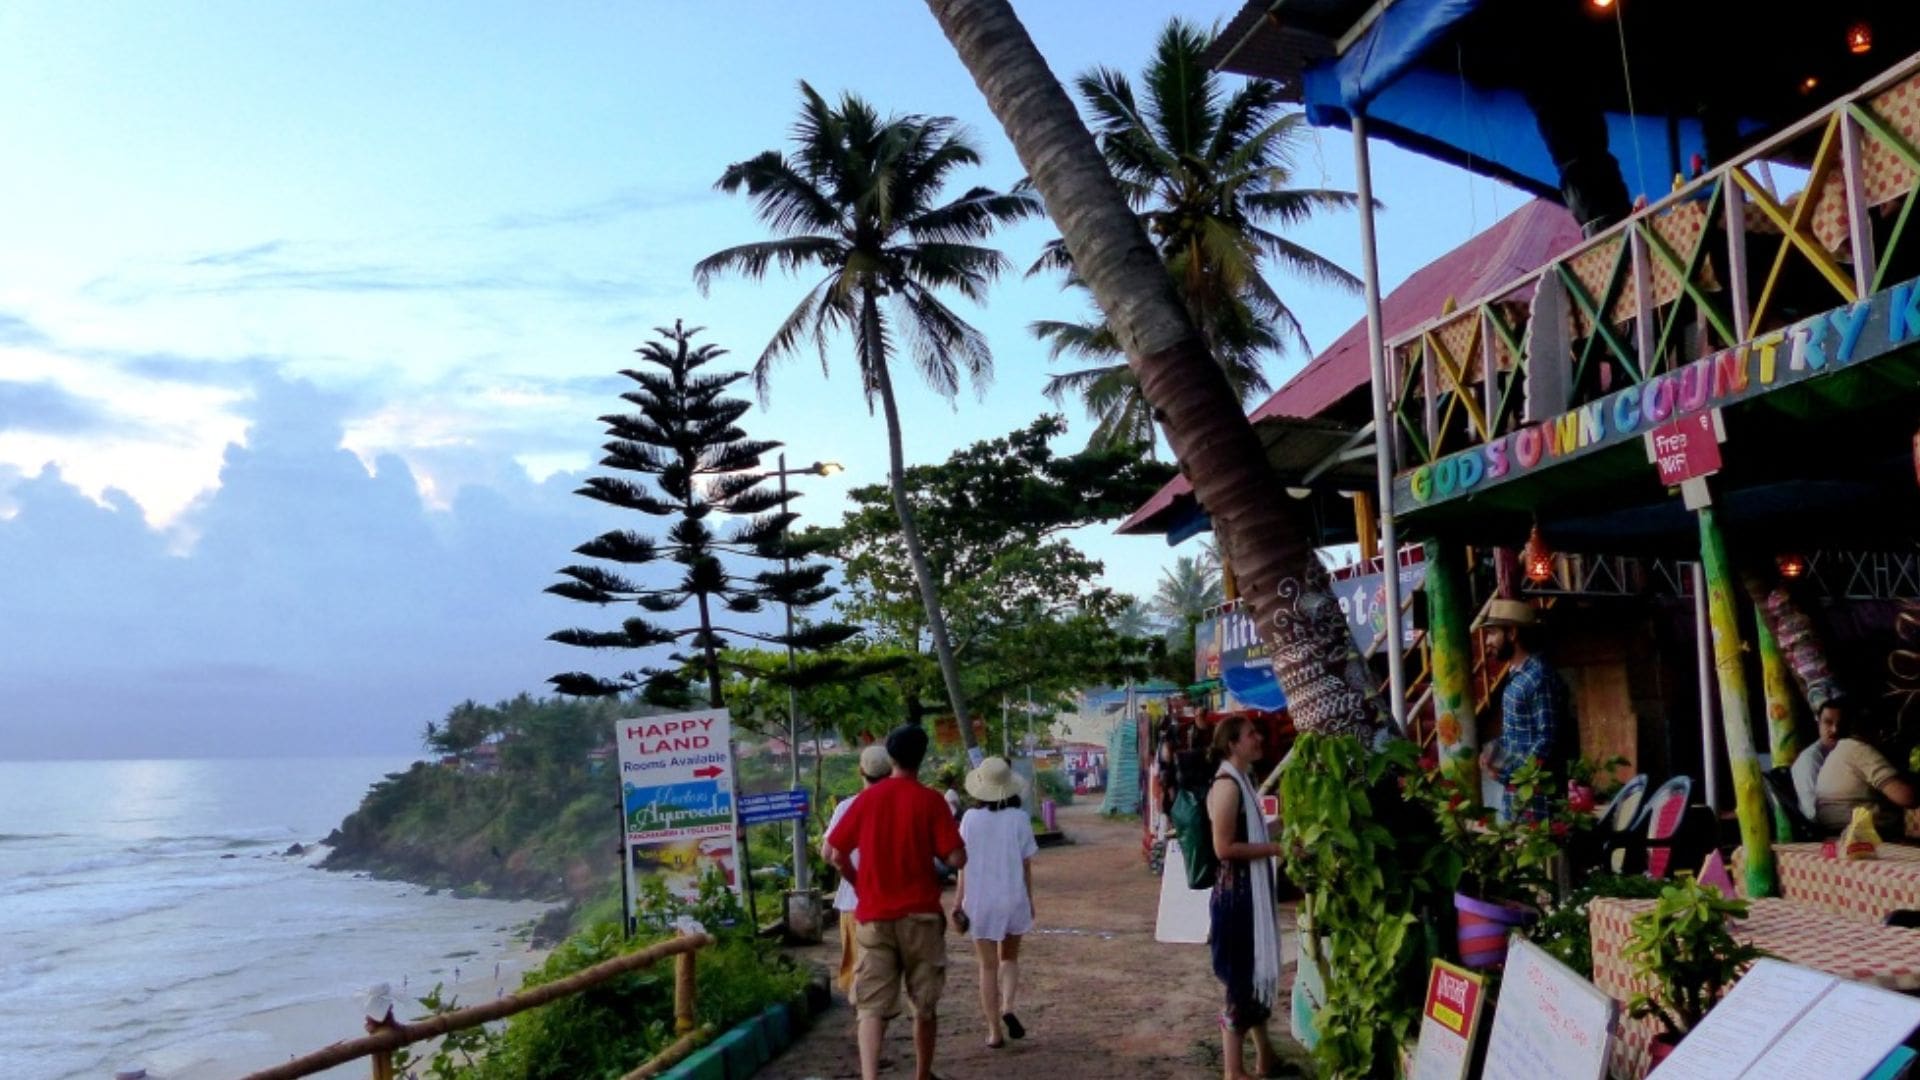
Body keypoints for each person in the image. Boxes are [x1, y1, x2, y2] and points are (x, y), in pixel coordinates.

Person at [826, 725, 967, 1080]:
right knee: (924, 1004)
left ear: (890, 756)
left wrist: (859, 885)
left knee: (870, 1005)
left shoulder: (865, 801)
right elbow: (955, 859)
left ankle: (870, 1076)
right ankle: (923, 1073)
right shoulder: (931, 800)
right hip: (921, 916)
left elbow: (834, 853)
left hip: (874, 916)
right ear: (922, 758)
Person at [1207, 714, 1283, 1080]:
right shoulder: (1228, 786)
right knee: (1240, 983)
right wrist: (1275, 848)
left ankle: (1265, 1059)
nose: (1258, 739)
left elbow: (1247, 831)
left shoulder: (1244, 782)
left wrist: (1283, 830)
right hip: (1236, 899)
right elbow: (1223, 847)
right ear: (1232, 744)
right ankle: (1233, 1071)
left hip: (1246, 895)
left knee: (1251, 980)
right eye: (1251, 735)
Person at [954, 755, 1038, 1049]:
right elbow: (1026, 865)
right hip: (1013, 897)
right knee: (1010, 959)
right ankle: (1009, 1007)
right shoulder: (1020, 819)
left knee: (987, 967)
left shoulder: (969, 820)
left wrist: (957, 902)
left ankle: (993, 1032)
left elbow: (962, 864)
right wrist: (1029, 899)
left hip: (980, 901)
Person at [1477, 599, 1575, 821]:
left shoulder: (1539, 677)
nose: (1487, 642)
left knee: (1541, 854)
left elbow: (1547, 739)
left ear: (1512, 633)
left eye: (1492, 633)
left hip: (1537, 797)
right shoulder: (1517, 676)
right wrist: (1493, 751)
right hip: (1519, 793)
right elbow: (1518, 732)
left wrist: (1508, 774)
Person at [823, 744, 895, 999]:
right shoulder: (900, 805)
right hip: (893, 902)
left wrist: (854, 877)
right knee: (885, 971)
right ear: (891, 771)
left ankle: (864, 1023)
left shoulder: (847, 807)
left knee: (858, 968)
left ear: (860, 771)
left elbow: (828, 854)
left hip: (853, 902)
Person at [1814, 704, 1920, 836]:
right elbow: (1907, 797)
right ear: (1881, 732)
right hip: (1862, 837)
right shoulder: (1860, 751)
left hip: (1836, 834)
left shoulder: (1840, 750)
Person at [1792, 695, 1844, 821]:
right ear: (1818, 723)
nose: (1835, 729)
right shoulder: (1810, 760)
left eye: (1840, 724)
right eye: (1828, 722)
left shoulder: (1843, 752)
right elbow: (1811, 811)